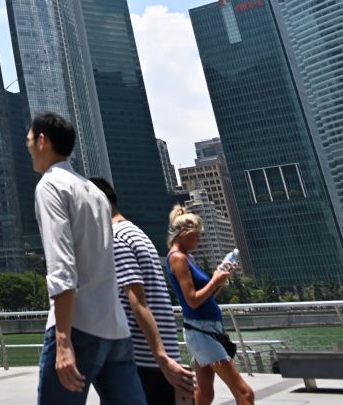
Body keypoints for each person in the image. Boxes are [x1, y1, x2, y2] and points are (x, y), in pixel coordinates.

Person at [26, 112, 143, 405]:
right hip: (115, 329)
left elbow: (62, 268)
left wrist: (63, 341)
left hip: (78, 327)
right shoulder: (95, 191)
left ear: (42, 141)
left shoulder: (50, 186)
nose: (26, 145)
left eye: (29, 139)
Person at [90, 177, 196, 405]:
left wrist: (161, 358)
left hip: (143, 363)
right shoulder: (136, 233)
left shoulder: (116, 238)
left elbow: (137, 302)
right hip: (155, 360)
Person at [166, 206, 254, 405]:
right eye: (196, 236)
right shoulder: (178, 259)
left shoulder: (188, 258)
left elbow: (208, 296)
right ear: (183, 234)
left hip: (207, 329)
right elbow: (192, 300)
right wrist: (215, 279)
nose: (199, 240)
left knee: (205, 395)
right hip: (201, 331)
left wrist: (221, 279)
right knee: (245, 393)